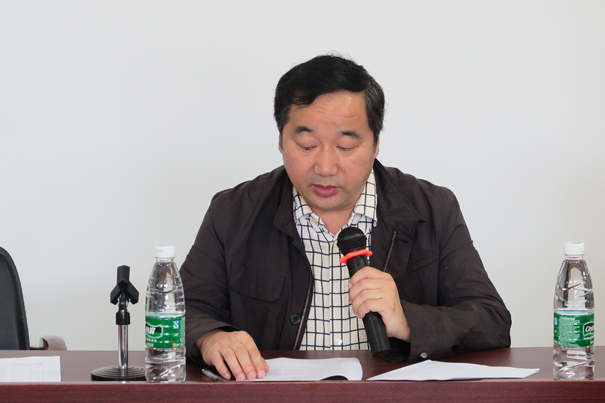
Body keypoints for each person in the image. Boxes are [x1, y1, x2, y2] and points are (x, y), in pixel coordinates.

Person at [180, 54, 511, 381]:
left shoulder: (431, 208)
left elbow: (491, 321)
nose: (325, 167)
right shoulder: (235, 212)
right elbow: (182, 313)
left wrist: (407, 322)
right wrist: (210, 337)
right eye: (307, 145)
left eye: (346, 146)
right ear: (281, 141)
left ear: (376, 144)